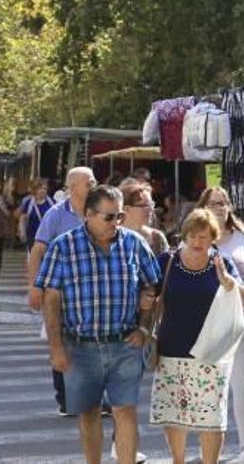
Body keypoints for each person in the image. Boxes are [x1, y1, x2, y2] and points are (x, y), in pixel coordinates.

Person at [37, 185, 160, 464]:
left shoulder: (134, 243)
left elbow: (153, 285)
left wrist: (144, 328)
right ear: (88, 214)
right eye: (109, 217)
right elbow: (51, 298)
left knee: (125, 411)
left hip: (125, 343)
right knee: (90, 413)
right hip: (80, 347)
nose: (115, 224)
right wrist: (56, 347)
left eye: (119, 216)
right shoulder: (64, 246)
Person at [149, 209, 244, 464]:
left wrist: (227, 282)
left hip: (213, 351)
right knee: (174, 413)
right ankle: (178, 460)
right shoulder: (167, 261)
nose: (197, 242)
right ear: (185, 235)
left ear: (213, 237)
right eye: (192, 235)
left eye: (203, 236)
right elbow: (148, 295)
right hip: (172, 347)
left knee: (212, 417)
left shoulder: (221, 262)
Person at [198, 187, 244, 463]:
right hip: (209, 319)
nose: (220, 208)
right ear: (204, 207)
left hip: (241, 314)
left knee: (243, 381)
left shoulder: (242, 236)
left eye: (224, 203)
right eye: (214, 203)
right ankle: (211, 445)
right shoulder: (197, 237)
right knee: (212, 384)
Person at [28, 167, 95, 418]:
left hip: (90, 291)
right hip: (60, 291)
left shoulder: (97, 212)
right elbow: (37, 251)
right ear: (72, 187)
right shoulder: (56, 215)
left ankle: (96, 396)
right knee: (62, 343)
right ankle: (65, 398)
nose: (93, 185)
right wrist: (35, 285)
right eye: (88, 182)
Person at [120, 183, 169, 255]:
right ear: (126, 209)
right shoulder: (110, 238)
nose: (151, 209)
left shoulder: (157, 238)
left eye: (152, 204)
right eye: (145, 205)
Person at [17, 179, 55, 250]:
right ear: (35, 190)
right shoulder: (29, 202)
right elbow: (23, 218)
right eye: (40, 188)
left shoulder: (52, 202)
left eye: (44, 188)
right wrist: (22, 232)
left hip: (48, 236)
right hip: (32, 235)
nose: (42, 190)